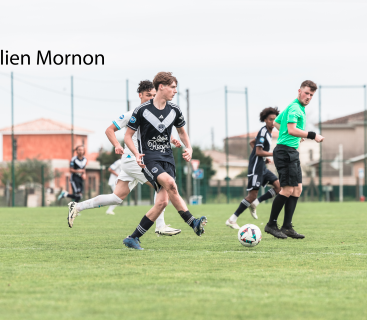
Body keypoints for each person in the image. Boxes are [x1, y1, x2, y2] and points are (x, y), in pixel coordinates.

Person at [66, 80, 181, 236]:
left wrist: (172, 138)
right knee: (162, 184)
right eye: (148, 95)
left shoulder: (154, 113)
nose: (151, 98)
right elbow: (109, 130)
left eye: (153, 95)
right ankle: (160, 226)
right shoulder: (132, 114)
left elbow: (156, 134)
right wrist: (116, 145)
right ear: (140, 95)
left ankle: (77, 207)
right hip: (133, 160)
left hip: (137, 161)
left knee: (116, 197)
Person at [122, 72, 207, 250]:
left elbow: (182, 132)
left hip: (167, 158)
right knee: (170, 183)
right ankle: (192, 222)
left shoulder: (174, 110)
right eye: (173, 87)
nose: (175, 91)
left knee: (162, 203)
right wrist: (136, 154)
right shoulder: (142, 110)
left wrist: (188, 148)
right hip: (149, 158)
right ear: (161, 86)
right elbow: (128, 136)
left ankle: (133, 238)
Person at [264, 80, 324, 239]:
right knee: (287, 190)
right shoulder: (295, 108)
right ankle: (271, 224)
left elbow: (277, 123)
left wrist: (296, 136)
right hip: (285, 153)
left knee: (297, 189)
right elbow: (291, 129)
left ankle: (287, 226)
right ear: (299, 91)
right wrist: (312, 135)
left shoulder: (297, 107)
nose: (308, 97)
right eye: (306, 93)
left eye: (311, 95)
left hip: (291, 151)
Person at [225, 107, 281, 229]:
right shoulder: (263, 132)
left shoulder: (269, 132)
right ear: (265, 120)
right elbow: (258, 151)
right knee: (251, 195)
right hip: (256, 167)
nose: (273, 122)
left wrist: (264, 157)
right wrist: (272, 154)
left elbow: (252, 143)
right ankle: (232, 219)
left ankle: (256, 203)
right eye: (270, 119)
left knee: (278, 187)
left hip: (262, 167)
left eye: (275, 119)